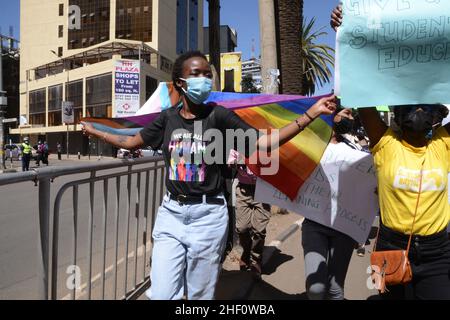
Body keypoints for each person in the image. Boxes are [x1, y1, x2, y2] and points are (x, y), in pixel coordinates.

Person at [81, 51, 337, 300]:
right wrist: (97, 132)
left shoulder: (219, 115)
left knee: (199, 295)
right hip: (171, 215)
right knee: (160, 293)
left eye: (206, 73)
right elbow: (132, 142)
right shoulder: (167, 118)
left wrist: (310, 115)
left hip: (208, 218)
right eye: (196, 73)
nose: (204, 79)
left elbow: (263, 143)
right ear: (180, 83)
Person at [331, 7, 450, 299]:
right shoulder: (385, 143)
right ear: (397, 111)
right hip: (387, 245)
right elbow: (362, 93)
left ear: (438, 113)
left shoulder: (444, 144)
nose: (418, 110)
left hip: (438, 253)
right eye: (411, 104)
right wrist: (347, 34)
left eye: (425, 104)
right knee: (381, 296)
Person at [301, 108, 358, 300]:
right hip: (314, 225)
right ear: (334, 115)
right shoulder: (310, 144)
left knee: (335, 288)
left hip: (344, 227)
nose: (351, 118)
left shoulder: (354, 149)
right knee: (316, 288)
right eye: (348, 113)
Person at [228, 149, 271, 278]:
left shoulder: (266, 144)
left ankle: (256, 259)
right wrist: (238, 161)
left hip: (263, 189)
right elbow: (230, 163)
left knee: (259, 230)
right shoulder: (237, 143)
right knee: (241, 228)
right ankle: (246, 252)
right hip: (244, 189)